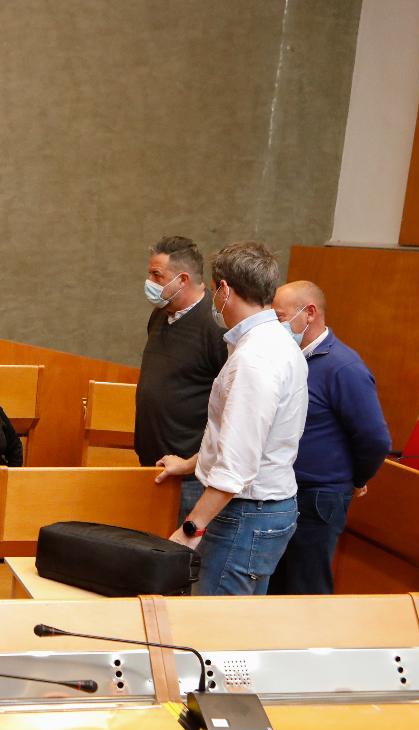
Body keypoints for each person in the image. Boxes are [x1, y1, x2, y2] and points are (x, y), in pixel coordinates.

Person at [154, 241, 308, 596]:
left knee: (218, 635)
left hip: (245, 514)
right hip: (259, 510)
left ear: (224, 290)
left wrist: (190, 529)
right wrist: (192, 464)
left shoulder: (255, 358)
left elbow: (236, 465)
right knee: (237, 627)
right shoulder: (275, 343)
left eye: (215, 289)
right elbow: (239, 432)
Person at [268, 281, 390, 594]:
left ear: (309, 313)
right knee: (276, 588)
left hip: (319, 497)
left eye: (280, 317)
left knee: (305, 589)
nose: (275, 325)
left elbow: (375, 438)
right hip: (285, 491)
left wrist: (356, 478)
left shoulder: (343, 366)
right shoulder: (288, 358)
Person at [135, 236, 229, 522]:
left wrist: (193, 462)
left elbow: (230, 403)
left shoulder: (215, 327)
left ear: (183, 279)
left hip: (190, 475)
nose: (149, 281)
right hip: (151, 464)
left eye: (156, 275)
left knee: (183, 559)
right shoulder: (160, 316)